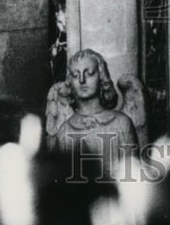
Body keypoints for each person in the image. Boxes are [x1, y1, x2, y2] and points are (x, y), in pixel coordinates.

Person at [52, 48, 139, 179]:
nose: (81, 80)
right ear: (70, 81)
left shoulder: (121, 123)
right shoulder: (64, 131)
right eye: (75, 75)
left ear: (101, 76)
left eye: (89, 73)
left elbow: (133, 180)